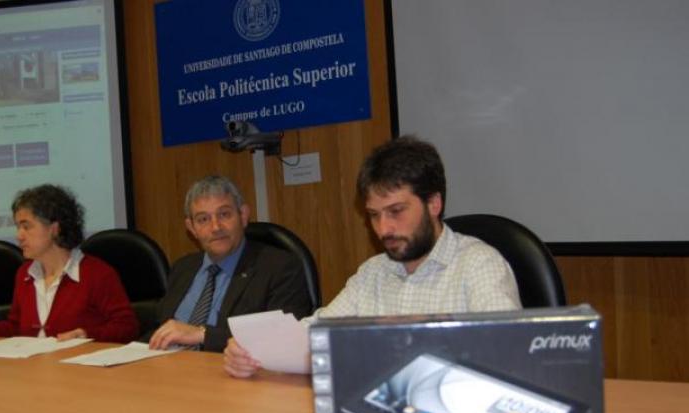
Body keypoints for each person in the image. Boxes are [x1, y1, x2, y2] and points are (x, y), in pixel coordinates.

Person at [224, 135, 522, 377]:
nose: (383, 229)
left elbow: (508, 354)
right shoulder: (373, 272)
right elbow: (318, 331)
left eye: (396, 212)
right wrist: (254, 349)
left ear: (433, 203)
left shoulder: (479, 264)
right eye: (373, 215)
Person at [0, 184, 138, 342]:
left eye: (27, 227)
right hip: (34, 374)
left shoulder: (96, 273)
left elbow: (127, 327)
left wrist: (87, 335)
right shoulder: (25, 274)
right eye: (18, 227)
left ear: (54, 228)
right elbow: (16, 329)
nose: (19, 236)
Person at [147, 175, 312, 352]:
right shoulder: (182, 268)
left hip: (233, 373)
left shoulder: (279, 267)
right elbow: (159, 329)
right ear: (191, 228)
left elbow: (283, 337)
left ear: (243, 215)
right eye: (203, 219)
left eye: (224, 214)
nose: (216, 227)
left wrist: (203, 334)